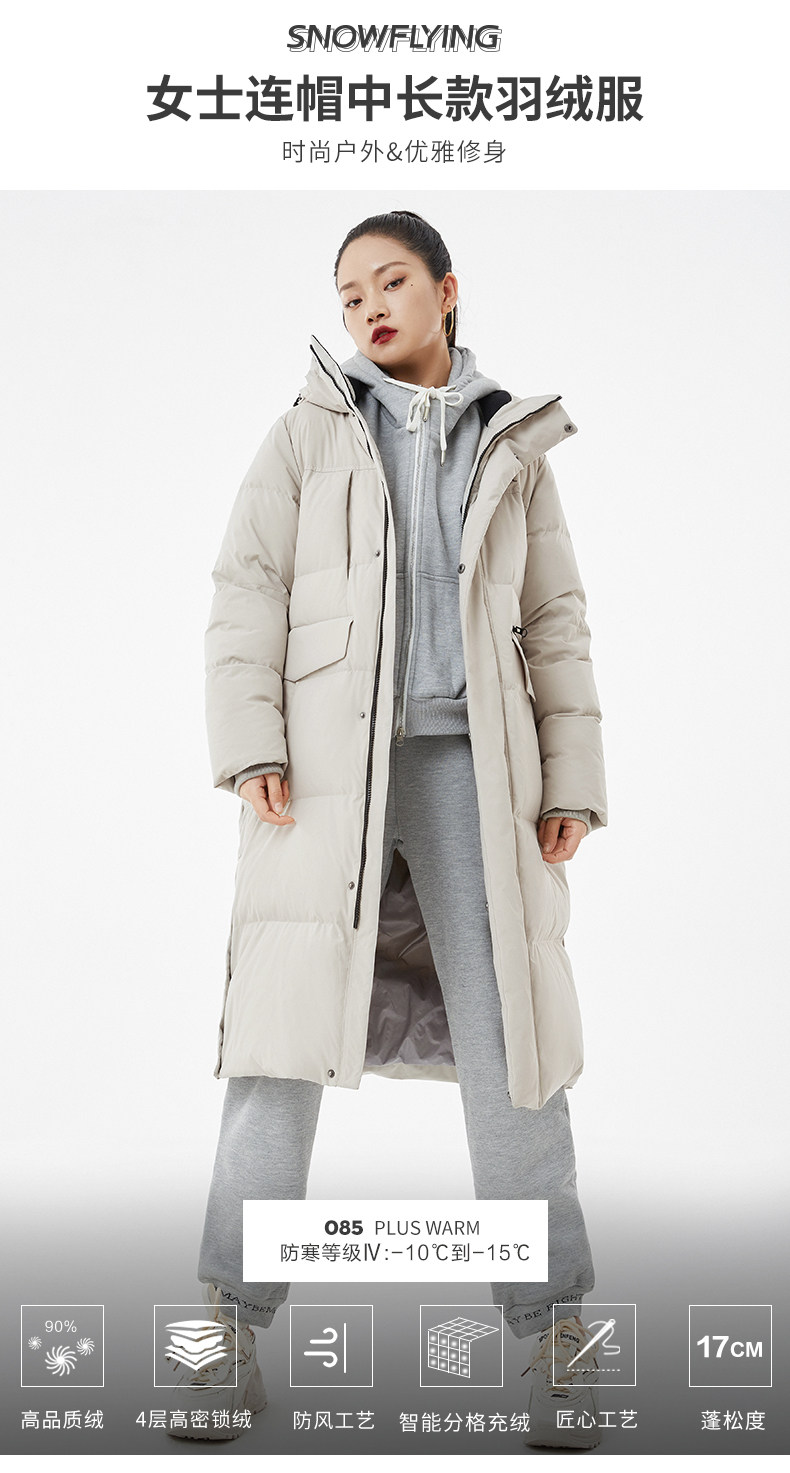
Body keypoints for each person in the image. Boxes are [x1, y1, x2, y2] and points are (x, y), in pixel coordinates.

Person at [170, 210, 609, 1449]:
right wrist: (252, 744)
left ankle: (560, 1342)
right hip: (321, 779)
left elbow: (555, 619)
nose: (367, 305)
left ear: (444, 290)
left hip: (477, 773)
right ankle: (223, 1338)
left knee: (516, 1052)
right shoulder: (306, 434)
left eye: (390, 280)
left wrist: (569, 779)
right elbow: (245, 592)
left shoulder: (512, 441)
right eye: (348, 290)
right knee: (277, 1051)